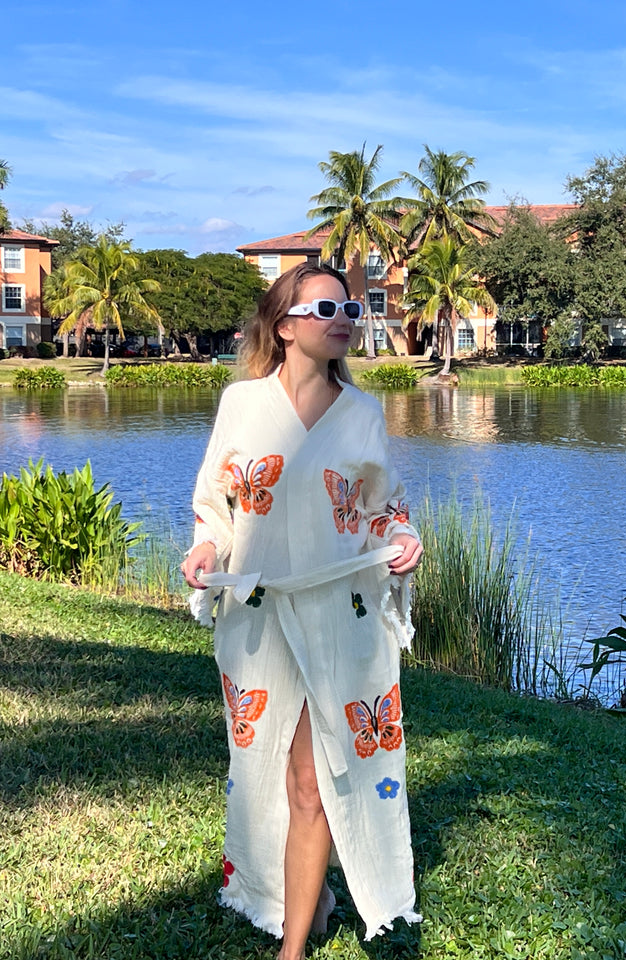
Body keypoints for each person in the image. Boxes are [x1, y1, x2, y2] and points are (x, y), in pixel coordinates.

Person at [181, 262, 423, 960]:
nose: (343, 316)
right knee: (269, 770)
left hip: (340, 615)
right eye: (324, 307)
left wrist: (402, 539)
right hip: (257, 613)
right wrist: (205, 551)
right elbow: (216, 506)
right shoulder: (242, 406)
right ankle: (307, 895)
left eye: (349, 306)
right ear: (285, 326)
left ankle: (291, 951)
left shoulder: (363, 415)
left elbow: (383, 511)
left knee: (314, 779)